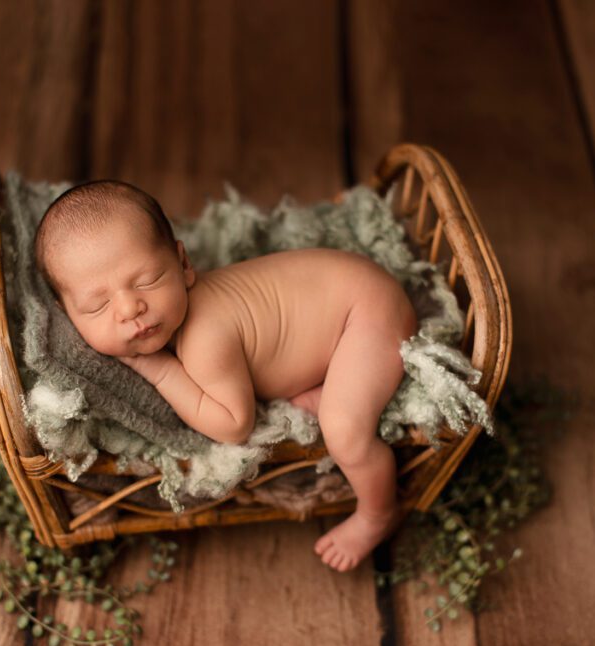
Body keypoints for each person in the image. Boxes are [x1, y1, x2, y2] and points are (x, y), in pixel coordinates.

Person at [34, 179, 418, 572]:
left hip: (367, 313)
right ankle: (327, 383)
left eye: (147, 280)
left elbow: (234, 425)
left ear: (184, 266)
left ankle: (378, 514)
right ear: (67, 316)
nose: (131, 308)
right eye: (98, 305)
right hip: (347, 293)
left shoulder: (204, 335)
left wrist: (160, 370)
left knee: (344, 432)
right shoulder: (171, 318)